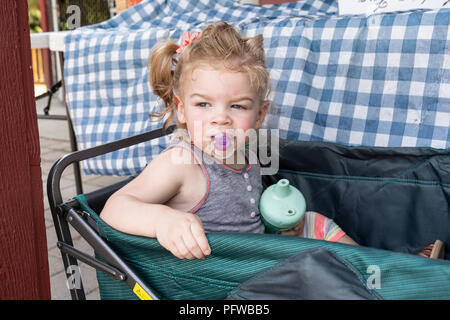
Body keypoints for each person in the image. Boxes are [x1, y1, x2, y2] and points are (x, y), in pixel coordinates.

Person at [100, 22, 357, 260]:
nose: (220, 118)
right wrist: (162, 221)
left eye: (237, 106)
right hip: (222, 276)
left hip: (256, 256)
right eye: (203, 104)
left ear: (259, 115)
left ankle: (376, 278)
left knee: (313, 222)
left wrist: (277, 226)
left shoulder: (248, 155)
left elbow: (246, 221)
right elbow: (114, 208)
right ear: (181, 109)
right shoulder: (182, 163)